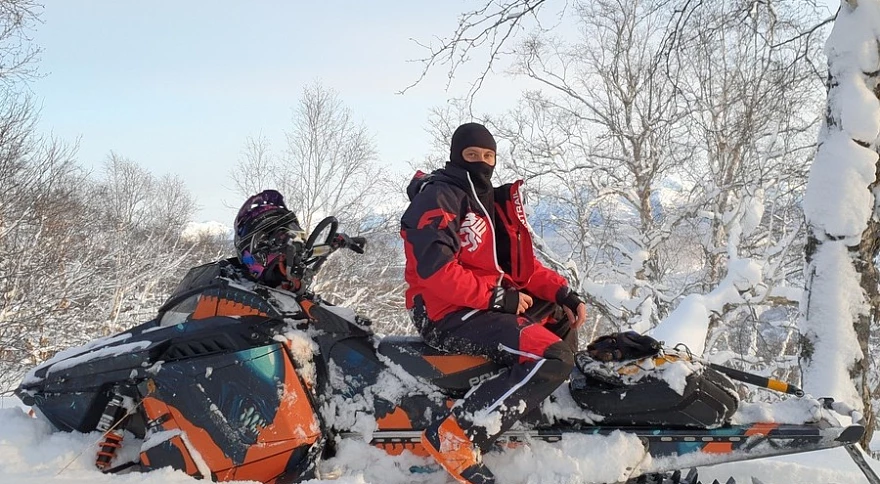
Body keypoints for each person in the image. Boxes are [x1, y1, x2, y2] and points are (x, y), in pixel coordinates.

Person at [400, 122, 587, 484]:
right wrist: (498, 298)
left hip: (481, 302)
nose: (482, 163)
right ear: (457, 156)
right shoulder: (440, 196)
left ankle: (536, 405)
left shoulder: (485, 200)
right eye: (472, 155)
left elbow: (517, 268)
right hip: (444, 312)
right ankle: (458, 435)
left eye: (488, 156)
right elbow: (437, 272)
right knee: (551, 356)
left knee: (560, 319)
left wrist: (563, 292)